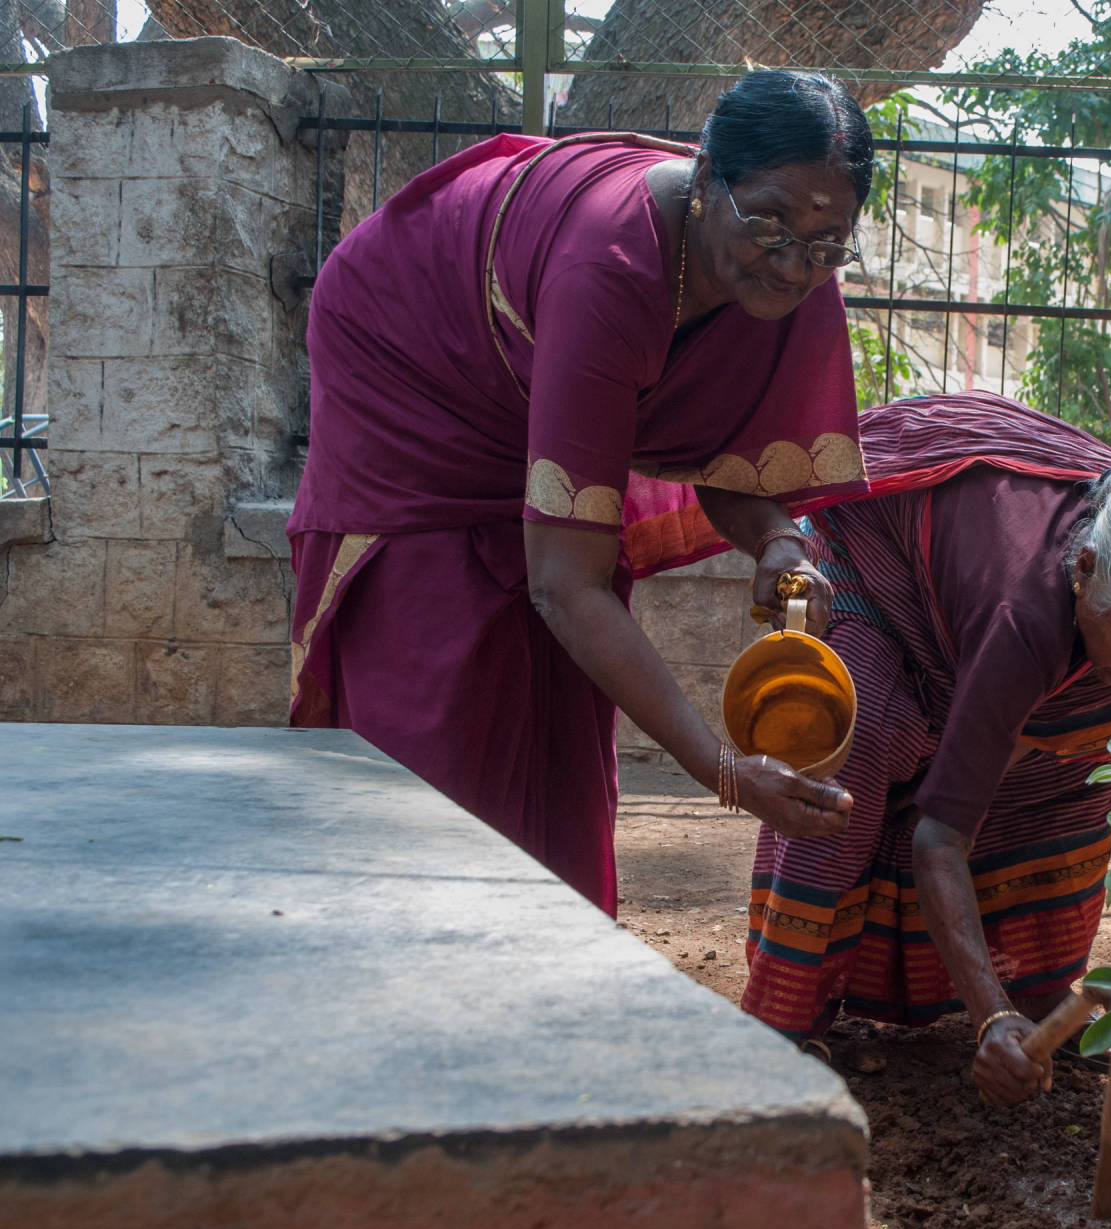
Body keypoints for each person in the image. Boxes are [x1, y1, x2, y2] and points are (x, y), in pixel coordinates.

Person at [287, 71, 877, 912]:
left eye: (828, 241)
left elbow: (727, 459)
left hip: (536, 361)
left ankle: (545, 930)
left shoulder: (794, 275)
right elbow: (564, 584)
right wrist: (718, 767)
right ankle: (410, 922)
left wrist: (783, 543)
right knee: (446, 648)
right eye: (771, 222)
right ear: (708, 177)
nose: (793, 264)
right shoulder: (611, 268)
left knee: (560, 699)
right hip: (411, 353)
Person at [739, 392, 1111, 1106]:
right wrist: (991, 1019)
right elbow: (938, 839)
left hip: (981, 603)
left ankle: (1038, 990)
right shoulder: (1025, 619)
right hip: (874, 556)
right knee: (854, 755)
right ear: (1085, 569)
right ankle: (783, 1027)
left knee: (1075, 757)